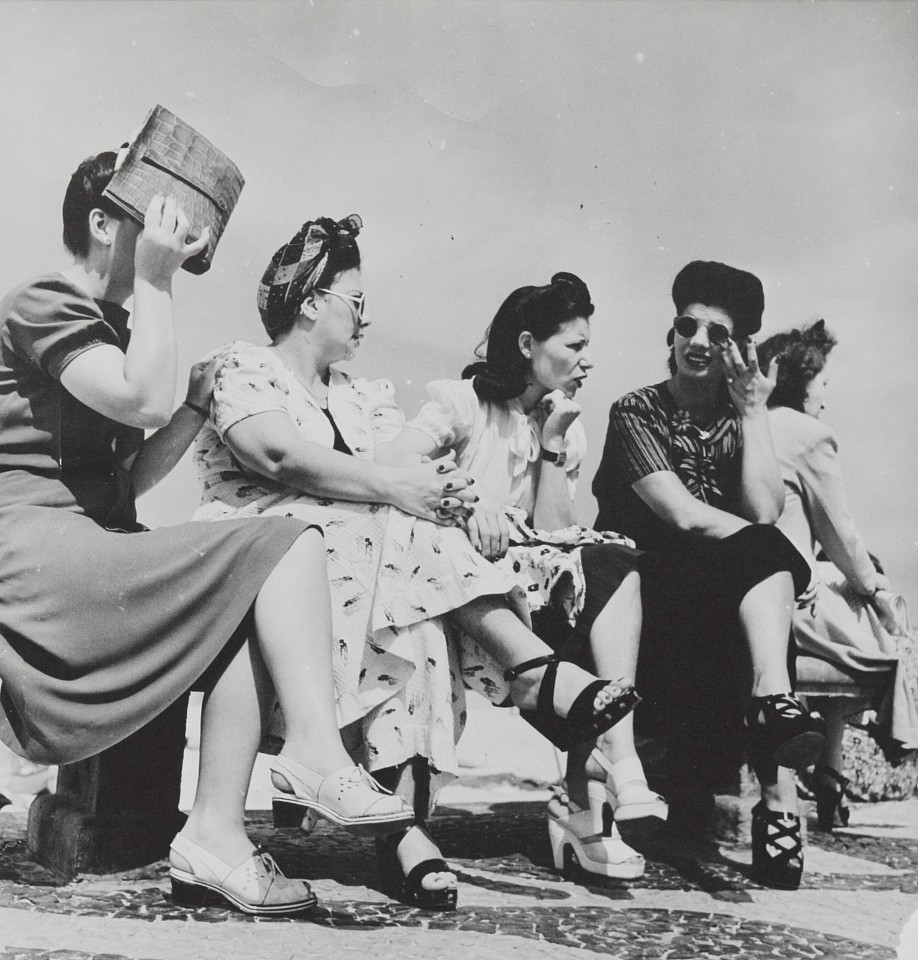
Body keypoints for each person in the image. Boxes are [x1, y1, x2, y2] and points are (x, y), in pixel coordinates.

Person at [0, 152, 417, 918]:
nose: (172, 238)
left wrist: (193, 406)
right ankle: (315, 756)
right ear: (101, 224)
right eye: (150, 220)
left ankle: (215, 836)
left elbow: (128, 471)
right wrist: (158, 285)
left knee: (245, 591)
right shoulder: (43, 302)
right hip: (29, 552)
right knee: (281, 540)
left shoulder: (111, 327)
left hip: (89, 538)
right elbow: (140, 400)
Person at [193, 219, 638, 906]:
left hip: (356, 559)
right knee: (401, 535)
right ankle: (528, 674)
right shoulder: (243, 367)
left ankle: (406, 825)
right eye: (357, 303)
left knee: (416, 611)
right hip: (266, 550)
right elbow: (278, 458)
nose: (366, 320)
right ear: (312, 301)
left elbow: (405, 484)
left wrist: (457, 499)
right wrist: (405, 490)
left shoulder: (361, 397)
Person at [381, 272, 665, 882]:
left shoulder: (565, 424)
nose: (588, 360)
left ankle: (611, 773)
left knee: (612, 562)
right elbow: (394, 463)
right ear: (529, 344)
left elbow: (557, 534)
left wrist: (555, 447)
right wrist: (465, 498)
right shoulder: (462, 404)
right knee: (581, 592)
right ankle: (604, 783)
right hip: (457, 581)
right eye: (575, 345)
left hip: (524, 578)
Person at [591, 260, 822, 890]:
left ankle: (778, 762)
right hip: (642, 594)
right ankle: (778, 767)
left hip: (713, 603)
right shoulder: (637, 410)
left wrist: (753, 415)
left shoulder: (741, 418)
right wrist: (774, 556)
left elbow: (765, 507)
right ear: (670, 335)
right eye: (686, 326)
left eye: (716, 334)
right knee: (767, 562)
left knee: (766, 590)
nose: (696, 341)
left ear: (739, 350)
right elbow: (684, 518)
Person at [758, 321, 918, 829]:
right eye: (822, 382)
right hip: (787, 602)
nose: (826, 396)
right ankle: (851, 763)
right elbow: (841, 535)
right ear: (801, 381)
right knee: (879, 610)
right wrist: (877, 589)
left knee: (848, 594)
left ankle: (830, 773)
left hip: (757, 592)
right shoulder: (807, 434)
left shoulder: (751, 423)